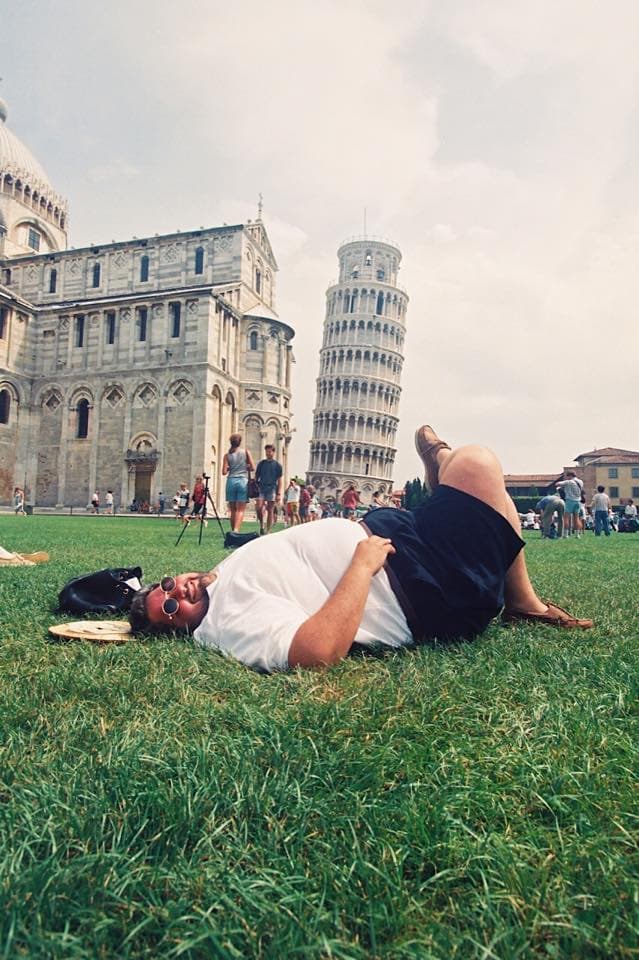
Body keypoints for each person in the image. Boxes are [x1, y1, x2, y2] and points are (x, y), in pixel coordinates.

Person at [129, 423, 594, 673]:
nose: (180, 591)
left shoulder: (216, 583)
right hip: (422, 587)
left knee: (482, 485)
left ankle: (522, 599)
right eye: (170, 607)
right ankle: (444, 467)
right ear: (179, 631)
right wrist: (361, 564)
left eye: (166, 585)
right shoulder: (227, 626)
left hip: (394, 537)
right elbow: (316, 652)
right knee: (478, 467)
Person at [222, 433, 255, 534]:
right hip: (242, 481)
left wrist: (230, 467)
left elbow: (223, 472)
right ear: (239, 442)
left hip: (231, 481)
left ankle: (233, 531)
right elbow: (253, 468)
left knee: (232, 510)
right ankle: (236, 530)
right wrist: (246, 467)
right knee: (240, 510)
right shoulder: (245, 452)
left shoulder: (227, 455)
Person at [255, 444, 283, 534]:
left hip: (272, 489)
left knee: (270, 509)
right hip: (262, 488)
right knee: (259, 508)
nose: (268, 453)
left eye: (270, 451)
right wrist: (255, 485)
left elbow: (280, 480)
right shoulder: (261, 464)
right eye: (266, 451)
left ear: (273, 452)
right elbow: (256, 476)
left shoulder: (278, 465)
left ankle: (268, 530)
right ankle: (261, 525)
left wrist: (279, 493)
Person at [556, 471, 583, 538]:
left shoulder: (569, 482)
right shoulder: (580, 482)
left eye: (567, 476)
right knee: (576, 518)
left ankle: (566, 534)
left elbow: (557, 484)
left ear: (570, 476)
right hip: (578, 501)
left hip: (570, 501)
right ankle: (577, 534)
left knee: (566, 518)